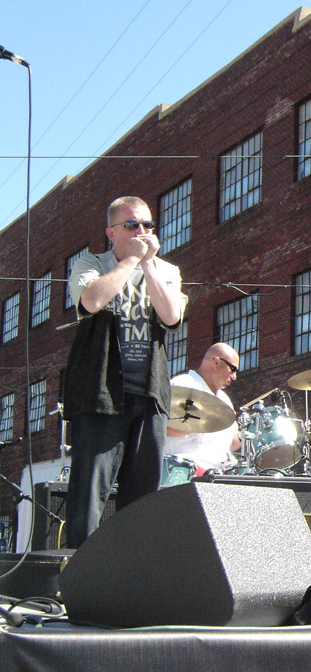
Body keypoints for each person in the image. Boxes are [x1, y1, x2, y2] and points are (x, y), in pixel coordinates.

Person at [63, 196, 187, 548]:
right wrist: (131, 259)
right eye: (132, 225)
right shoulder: (91, 263)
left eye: (148, 225)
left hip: (148, 396)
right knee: (89, 493)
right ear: (111, 232)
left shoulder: (167, 271)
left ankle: (133, 571)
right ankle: (81, 569)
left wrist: (147, 264)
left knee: (143, 497)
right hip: (100, 395)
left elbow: (171, 317)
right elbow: (91, 301)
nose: (142, 231)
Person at [164, 343, 241, 473]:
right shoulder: (182, 385)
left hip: (217, 473)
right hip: (181, 470)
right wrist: (195, 425)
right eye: (232, 369)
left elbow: (231, 443)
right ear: (216, 362)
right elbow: (158, 427)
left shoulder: (224, 399)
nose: (234, 377)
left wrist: (249, 433)